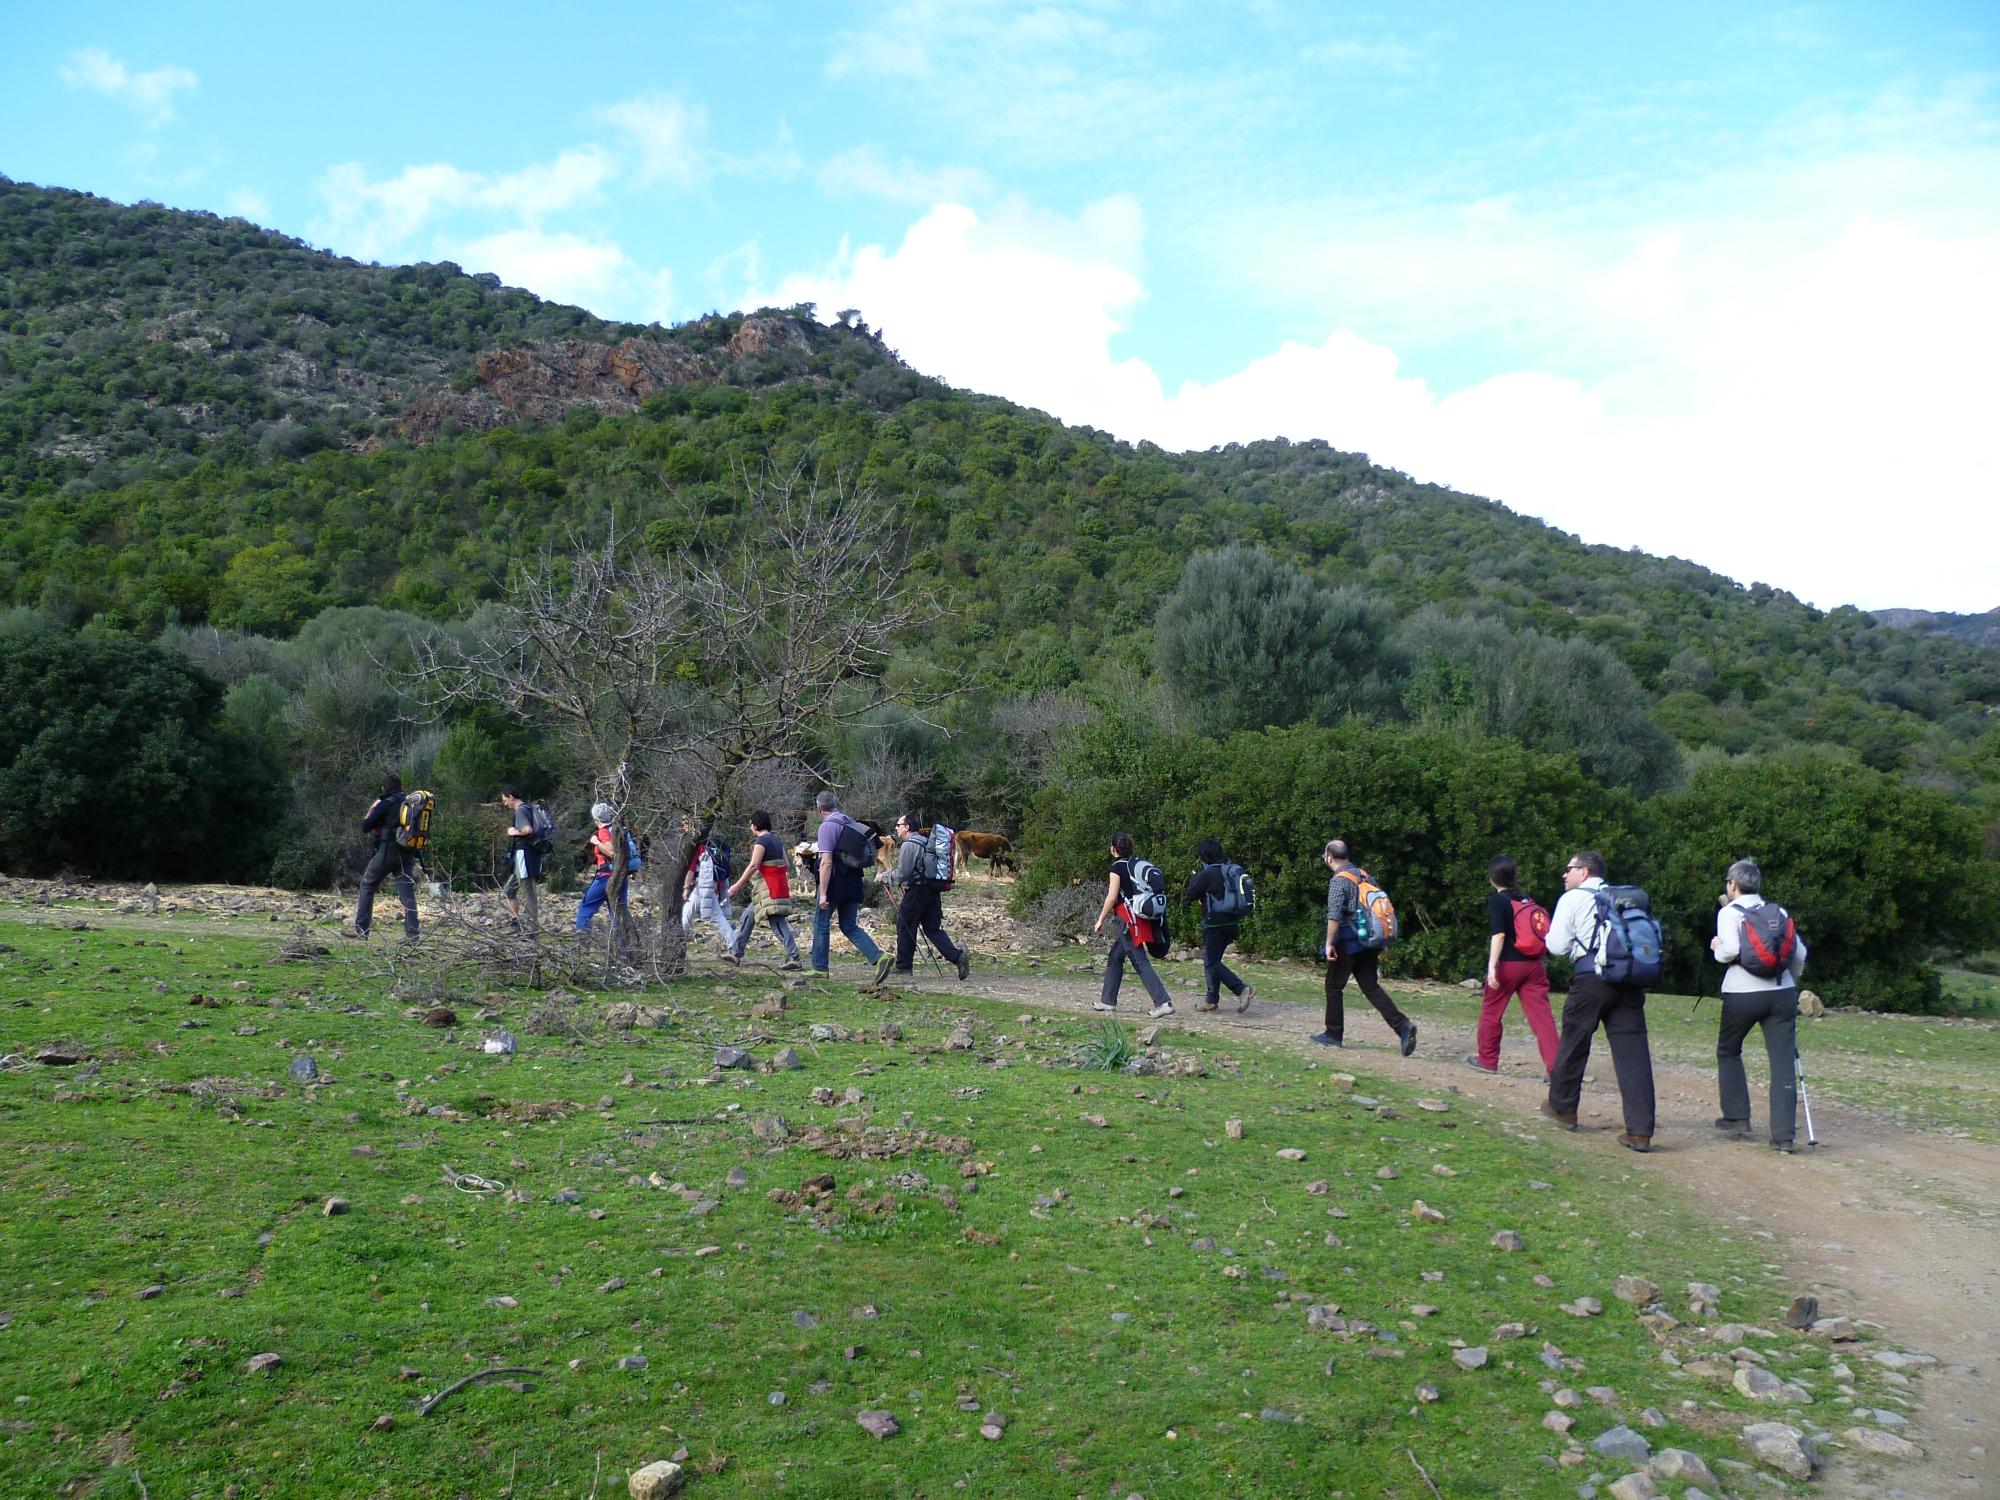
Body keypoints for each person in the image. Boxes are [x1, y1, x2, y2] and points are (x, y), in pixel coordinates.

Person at [1542, 850, 1657, 1151]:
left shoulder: (1574, 898)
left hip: (1591, 977)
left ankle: (1563, 1107)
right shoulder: (1622, 899)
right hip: (1629, 981)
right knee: (1633, 1054)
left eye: (1568, 869)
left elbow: (1555, 946)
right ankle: (1640, 1131)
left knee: (1574, 1041)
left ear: (1584, 871)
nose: (1564, 875)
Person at [1710, 858, 1809, 1153]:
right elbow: (1800, 952)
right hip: (1782, 992)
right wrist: (1789, 979)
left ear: (1732, 884)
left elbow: (1730, 950)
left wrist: (1716, 948)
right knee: (1781, 1063)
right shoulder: (1777, 911)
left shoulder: (1729, 913)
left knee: (1728, 1049)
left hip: (1742, 992)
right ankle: (1784, 1137)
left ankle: (1737, 1117)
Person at [1313, 840, 1415, 1054]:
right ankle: (1403, 1026)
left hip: (1348, 944)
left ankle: (1333, 1034)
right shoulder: (1365, 875)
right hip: (1369, 942)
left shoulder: (1338, 881)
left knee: (1333, 986)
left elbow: (1334, 916)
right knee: (1371, 987)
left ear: (1329, 858)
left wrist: (1329, 943)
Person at [1467, 854, 1559, 1077]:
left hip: (1508, 965)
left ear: (1492, 878)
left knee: (1492, 1012)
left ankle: (1487, 1061)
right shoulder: (1526, 898)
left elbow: (1499, 935)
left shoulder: (1498, 901)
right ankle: (1558, 1069)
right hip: (1534, 966)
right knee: (1542, 1018)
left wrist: (1491, 968)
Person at [808, 790, 895, 984]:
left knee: (821, 923)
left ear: (819, 808)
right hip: (854, 881)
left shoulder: (827, 827)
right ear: (835, 804)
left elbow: (826, 862)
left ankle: (819, 969)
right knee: (849, 925)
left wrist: (823, 893)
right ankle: (879, 956)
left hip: (834, 883)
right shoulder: (849, 821)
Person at [1090, 831, 1175, 1019]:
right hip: (1138, 918)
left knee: (1139, 961)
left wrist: (1100, 919)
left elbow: (1112, 897)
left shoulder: (1117, 868)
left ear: (1113, 849)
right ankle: (1108, 1000)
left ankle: (1163, 1002)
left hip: (1127, 920)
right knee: (1115, 956)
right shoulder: (1135, 863)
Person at [884, 810, 971, 981]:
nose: (896, 829)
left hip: (917, 891)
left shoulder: (909, 845)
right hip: (933, 889)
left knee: (905, 925)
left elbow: (903, 873)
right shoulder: (926, 842)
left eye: (899, 825)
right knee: (932, 928)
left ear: (907, 827)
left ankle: (903, 967)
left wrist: (885, 876)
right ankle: (957, 957)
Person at [1183, 836, 1254, 1013]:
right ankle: (1211, 1000)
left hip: (1215, 923)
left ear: (1203, 856)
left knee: (1211, 962)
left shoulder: (1207, 874)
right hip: (1232, 922)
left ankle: (1241, 989)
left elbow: (1190, 894)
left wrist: (1194, 880)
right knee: (1211, 959)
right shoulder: (1229, 870)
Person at [726, 810, 802, 970]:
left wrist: (737, 885)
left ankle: (794, 957)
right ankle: (736, 953)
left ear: (755, 825)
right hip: (775, 887)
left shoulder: (761, 842)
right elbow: (786, 865)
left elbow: (754, 865)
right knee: (748, 916)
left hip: (768, 888)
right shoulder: (776, 840)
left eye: (751, 825)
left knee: (777, 923)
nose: (750, 828)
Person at [351, 772, 419, 944]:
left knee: (367, 885)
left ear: (384, 788)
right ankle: (413, 936)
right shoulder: (409, 803)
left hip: (387, 851)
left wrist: (371, 811)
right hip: (407, 853)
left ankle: (361, 931)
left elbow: (365, 826)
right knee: (407, 893)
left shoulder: (385, 803)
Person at [575, 801, 633, 957]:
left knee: (585, 909)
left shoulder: (603, 832)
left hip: (606, 877)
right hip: (621, 876)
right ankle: (623, 952)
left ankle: (582, 949)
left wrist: (597, 842)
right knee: (617, 913)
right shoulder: (618, 829)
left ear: (596, 818)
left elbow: (612, 852)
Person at [679, 819, 739, 956]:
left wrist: (686, 888)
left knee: (716, 916)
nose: (683, 828)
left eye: (685, 824)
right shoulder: (711, 842)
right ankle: (679, 941)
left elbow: (692, 868)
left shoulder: (698, 845)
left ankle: (734, 946)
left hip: (705, 884)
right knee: (688, 910)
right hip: (708, 882)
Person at [498, 786, 542, 934]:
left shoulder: (521, 810)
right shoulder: (528, 808)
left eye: (505, 800)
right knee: (509, 889)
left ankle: (532, 931)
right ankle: (515, 923)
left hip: (525, 856)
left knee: (528, 892)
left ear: (511, 797)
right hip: (526, 856)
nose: (505, 804)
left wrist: (513, 832)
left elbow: (527, 830)